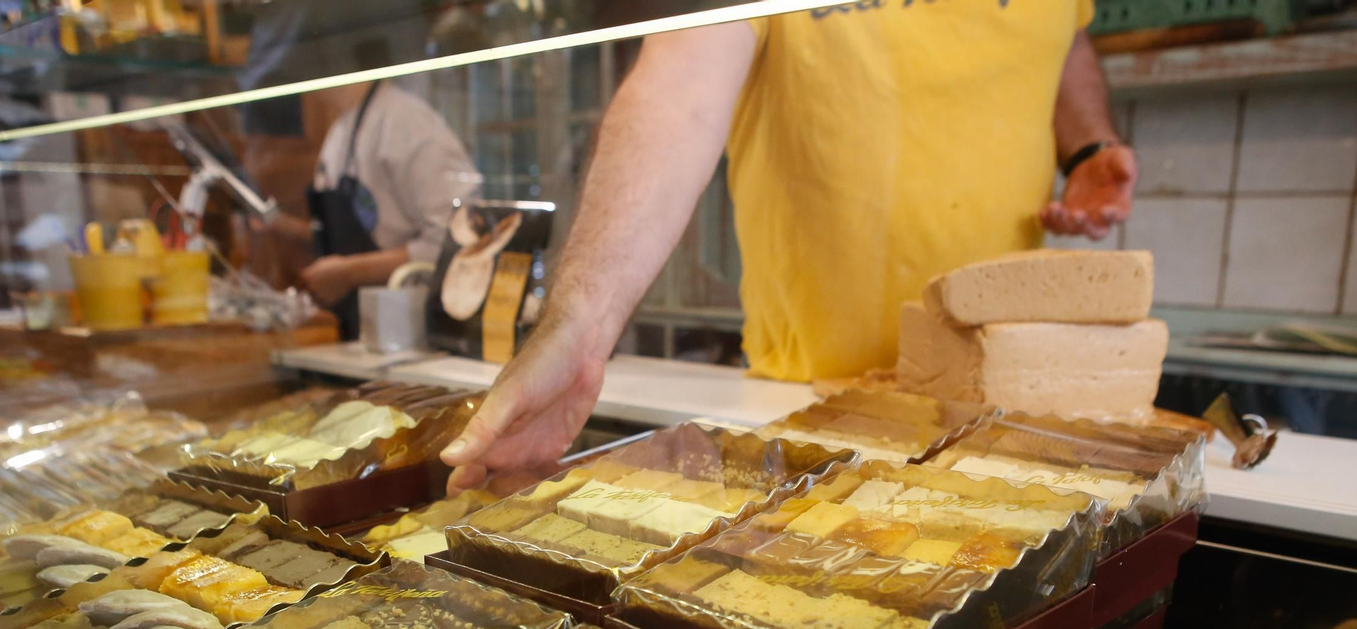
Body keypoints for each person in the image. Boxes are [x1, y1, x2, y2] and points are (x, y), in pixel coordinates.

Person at [443, 5, 1136, 493]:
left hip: (1007, 395)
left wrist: (1087, 143)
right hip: (817, 407)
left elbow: (1065, 36)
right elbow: (678, 94)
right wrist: (580, 325)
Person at [272, 79, 480, 339]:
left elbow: (457, 241)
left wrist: (349, 273)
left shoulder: (408, 124)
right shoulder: (341, 126)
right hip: (356, 325)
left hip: (413, 327)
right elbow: (353, 233)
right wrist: (285, 227)